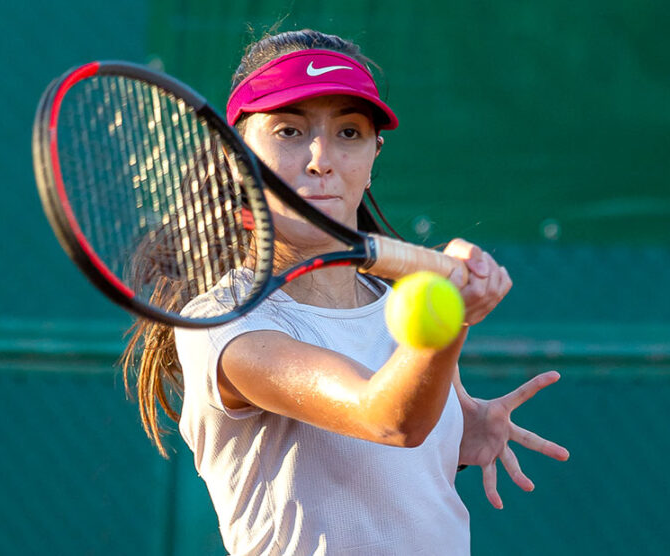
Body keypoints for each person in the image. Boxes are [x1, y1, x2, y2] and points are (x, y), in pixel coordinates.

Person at [123, 28, 570, 556]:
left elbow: (402, 445)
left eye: (349, 133)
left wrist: (455, 437)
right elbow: (388, 418)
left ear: (373, 156)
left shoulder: (396, 307)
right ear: (237, 157)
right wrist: (452, 321)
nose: (321, 158)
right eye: (289, 131)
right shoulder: (227, 323)